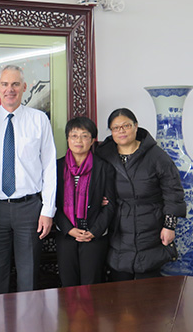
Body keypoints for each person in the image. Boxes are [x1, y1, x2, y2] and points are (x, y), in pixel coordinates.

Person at [0, 65, 56, 293]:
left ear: (24, 87)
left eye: (15, 84)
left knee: (29, 273)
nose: (10, 89)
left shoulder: (39, 120)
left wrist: (48, 210)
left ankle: (28, 315)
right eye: (5, 84)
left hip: (29, 209)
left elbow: (49, 167)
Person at [96, 108, 186, 280]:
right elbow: (93, 184)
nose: (121, 131)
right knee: (119, 280)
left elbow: (173, 191)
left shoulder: (156, 155)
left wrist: (169, 226)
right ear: (111, 132)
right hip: (118, 224)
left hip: (151, 223)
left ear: (136, 126)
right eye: (116, 128)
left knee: (148, 281)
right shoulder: (104, 155)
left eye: (126, 126)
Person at [54, 116, 115, 287]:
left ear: (93, 140)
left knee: (92, 285)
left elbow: (110, 204)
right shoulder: (57, 167)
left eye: (84, 136)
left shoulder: (104, 167)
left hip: (94, 235)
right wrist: (69, 229)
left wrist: (95, 231)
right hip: (66, 234)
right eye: (74, 136)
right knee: (68, 284)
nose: (79, 141)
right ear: (67, 139)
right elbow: (53, 204)